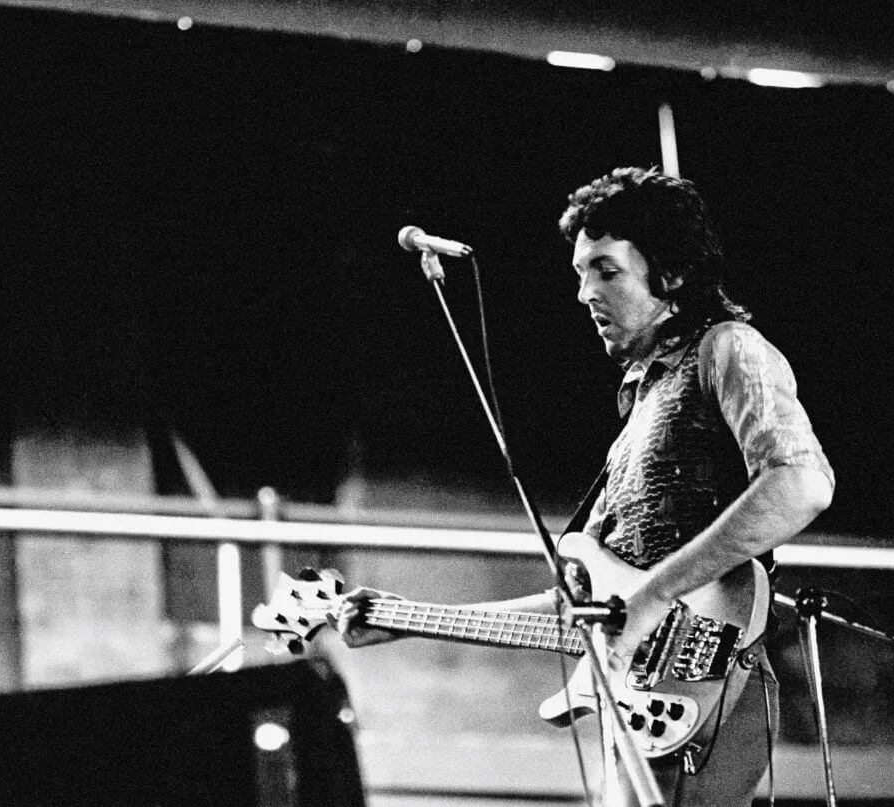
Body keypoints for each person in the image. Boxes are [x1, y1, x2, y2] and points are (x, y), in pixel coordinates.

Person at [331, 167, 835, 806]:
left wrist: (653, 595)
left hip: (708, 680)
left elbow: (801, 484)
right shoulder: (642, 408)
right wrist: (407, 621)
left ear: (672, 274)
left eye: (606, 270)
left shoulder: (729, 347)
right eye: (579, 275)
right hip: (647, 695)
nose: (584, 294)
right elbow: (593, 607)